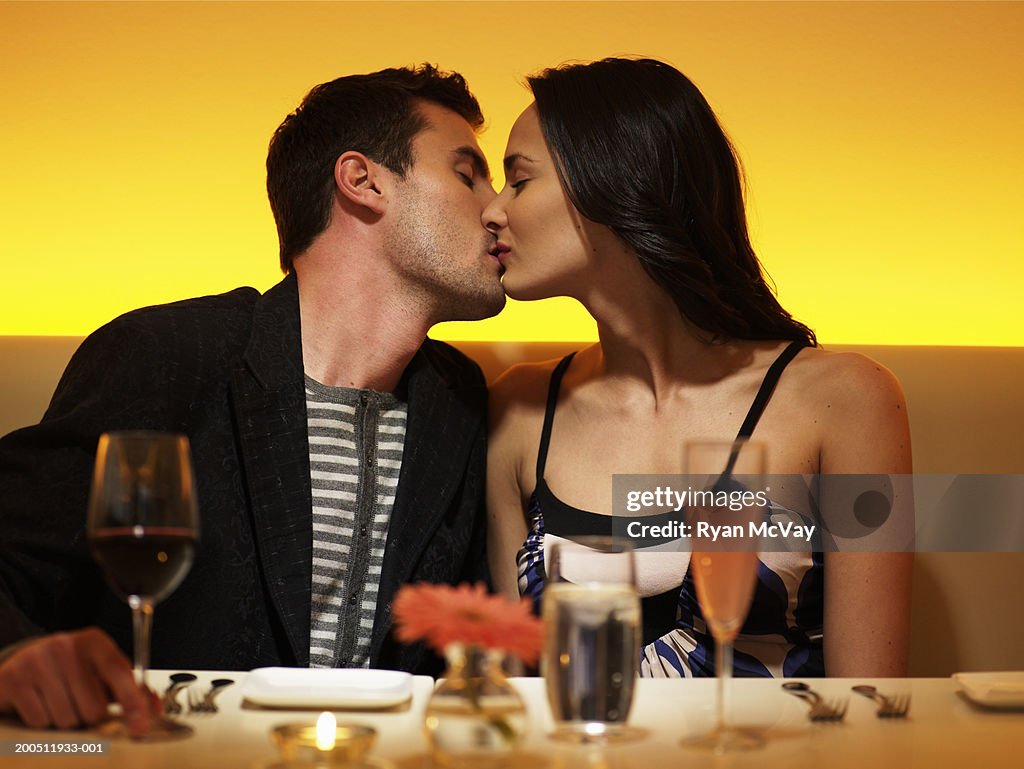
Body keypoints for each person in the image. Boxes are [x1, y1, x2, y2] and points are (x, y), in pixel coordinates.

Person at [0, 64, 506, 732]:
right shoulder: (169, 354)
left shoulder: (460, 401)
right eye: (469, 173)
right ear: (362, 181)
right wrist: (16, 652)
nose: (498, 207)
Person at [484, 58, 913, 678]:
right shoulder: (521, 410)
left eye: (518, 181)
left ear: (613, 181)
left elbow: (872, 704)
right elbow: (514, 694)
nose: (493, 211)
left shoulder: (844, 399)